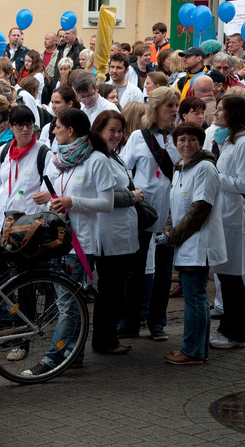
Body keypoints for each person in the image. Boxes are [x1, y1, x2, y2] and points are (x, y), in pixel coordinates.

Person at [25, 108, 115, 376]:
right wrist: (49, 198)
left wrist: (71, 201)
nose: (53, 131)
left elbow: (107, 203)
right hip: (58, 241)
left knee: (67, 304)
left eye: (57, 127)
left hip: (81, 244)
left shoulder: (97, 160)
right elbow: (56, 193)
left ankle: (53, 358)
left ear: (71, 130)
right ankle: (73, 354)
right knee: (69, 302)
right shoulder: (58, 160)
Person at [119, 86, 181, 342]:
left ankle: (157, 322)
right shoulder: (138, 137)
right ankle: (131, 321)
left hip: (169, 214)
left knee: (164, 271)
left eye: (176, 105)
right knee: (136, 267)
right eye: (169, 105)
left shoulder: (180, 137)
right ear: (155, 108)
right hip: (143, 213)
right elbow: (124, 170)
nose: (174, 110)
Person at [163, 122, 227, 365]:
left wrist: (174, 235)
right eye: (182, 140)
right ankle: (198, 349)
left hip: (198, 242)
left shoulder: (205, 168)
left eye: (192, 139)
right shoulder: (180, 168)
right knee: (195, 296)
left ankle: (192, 351)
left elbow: (200, 208)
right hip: (185, 242)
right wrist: (169, 230)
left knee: (195, 297)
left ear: (201, 142)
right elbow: (175, 206)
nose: (186, 144)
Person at [207, 95, 245, 349]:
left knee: (232, 276)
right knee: (225, 275)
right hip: (222, 214)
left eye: (220, 109)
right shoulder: (227, 141)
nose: (215, 113)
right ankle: (228, 327)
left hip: (235, 215)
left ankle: (236, 332)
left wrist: (215, 177)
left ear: (233, 114)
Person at [91, 110, 141, 355]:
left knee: (114, 289)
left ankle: (107, 338)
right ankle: (105, 341)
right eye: (111, 130)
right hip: (109, 234)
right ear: (99, 130)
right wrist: (132, 196)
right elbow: (105, 196)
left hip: (123, 232)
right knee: (109, 290)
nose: (117, 135)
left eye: (120, 131)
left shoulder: (114, 156)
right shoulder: (99, 158)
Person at [0, 105, 53, 228]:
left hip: (29, 225)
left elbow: (50, 190)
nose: (25, 129)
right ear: (11, 126)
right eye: (20, 125)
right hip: (2, 223)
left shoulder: (44, 154)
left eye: (29, 124)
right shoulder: (3, 152)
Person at [41, 86, 77, 151]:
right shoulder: (48, 128)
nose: (53, 106)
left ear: (69, 104)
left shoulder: (78, 127)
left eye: (57, 102)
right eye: (52, 102)